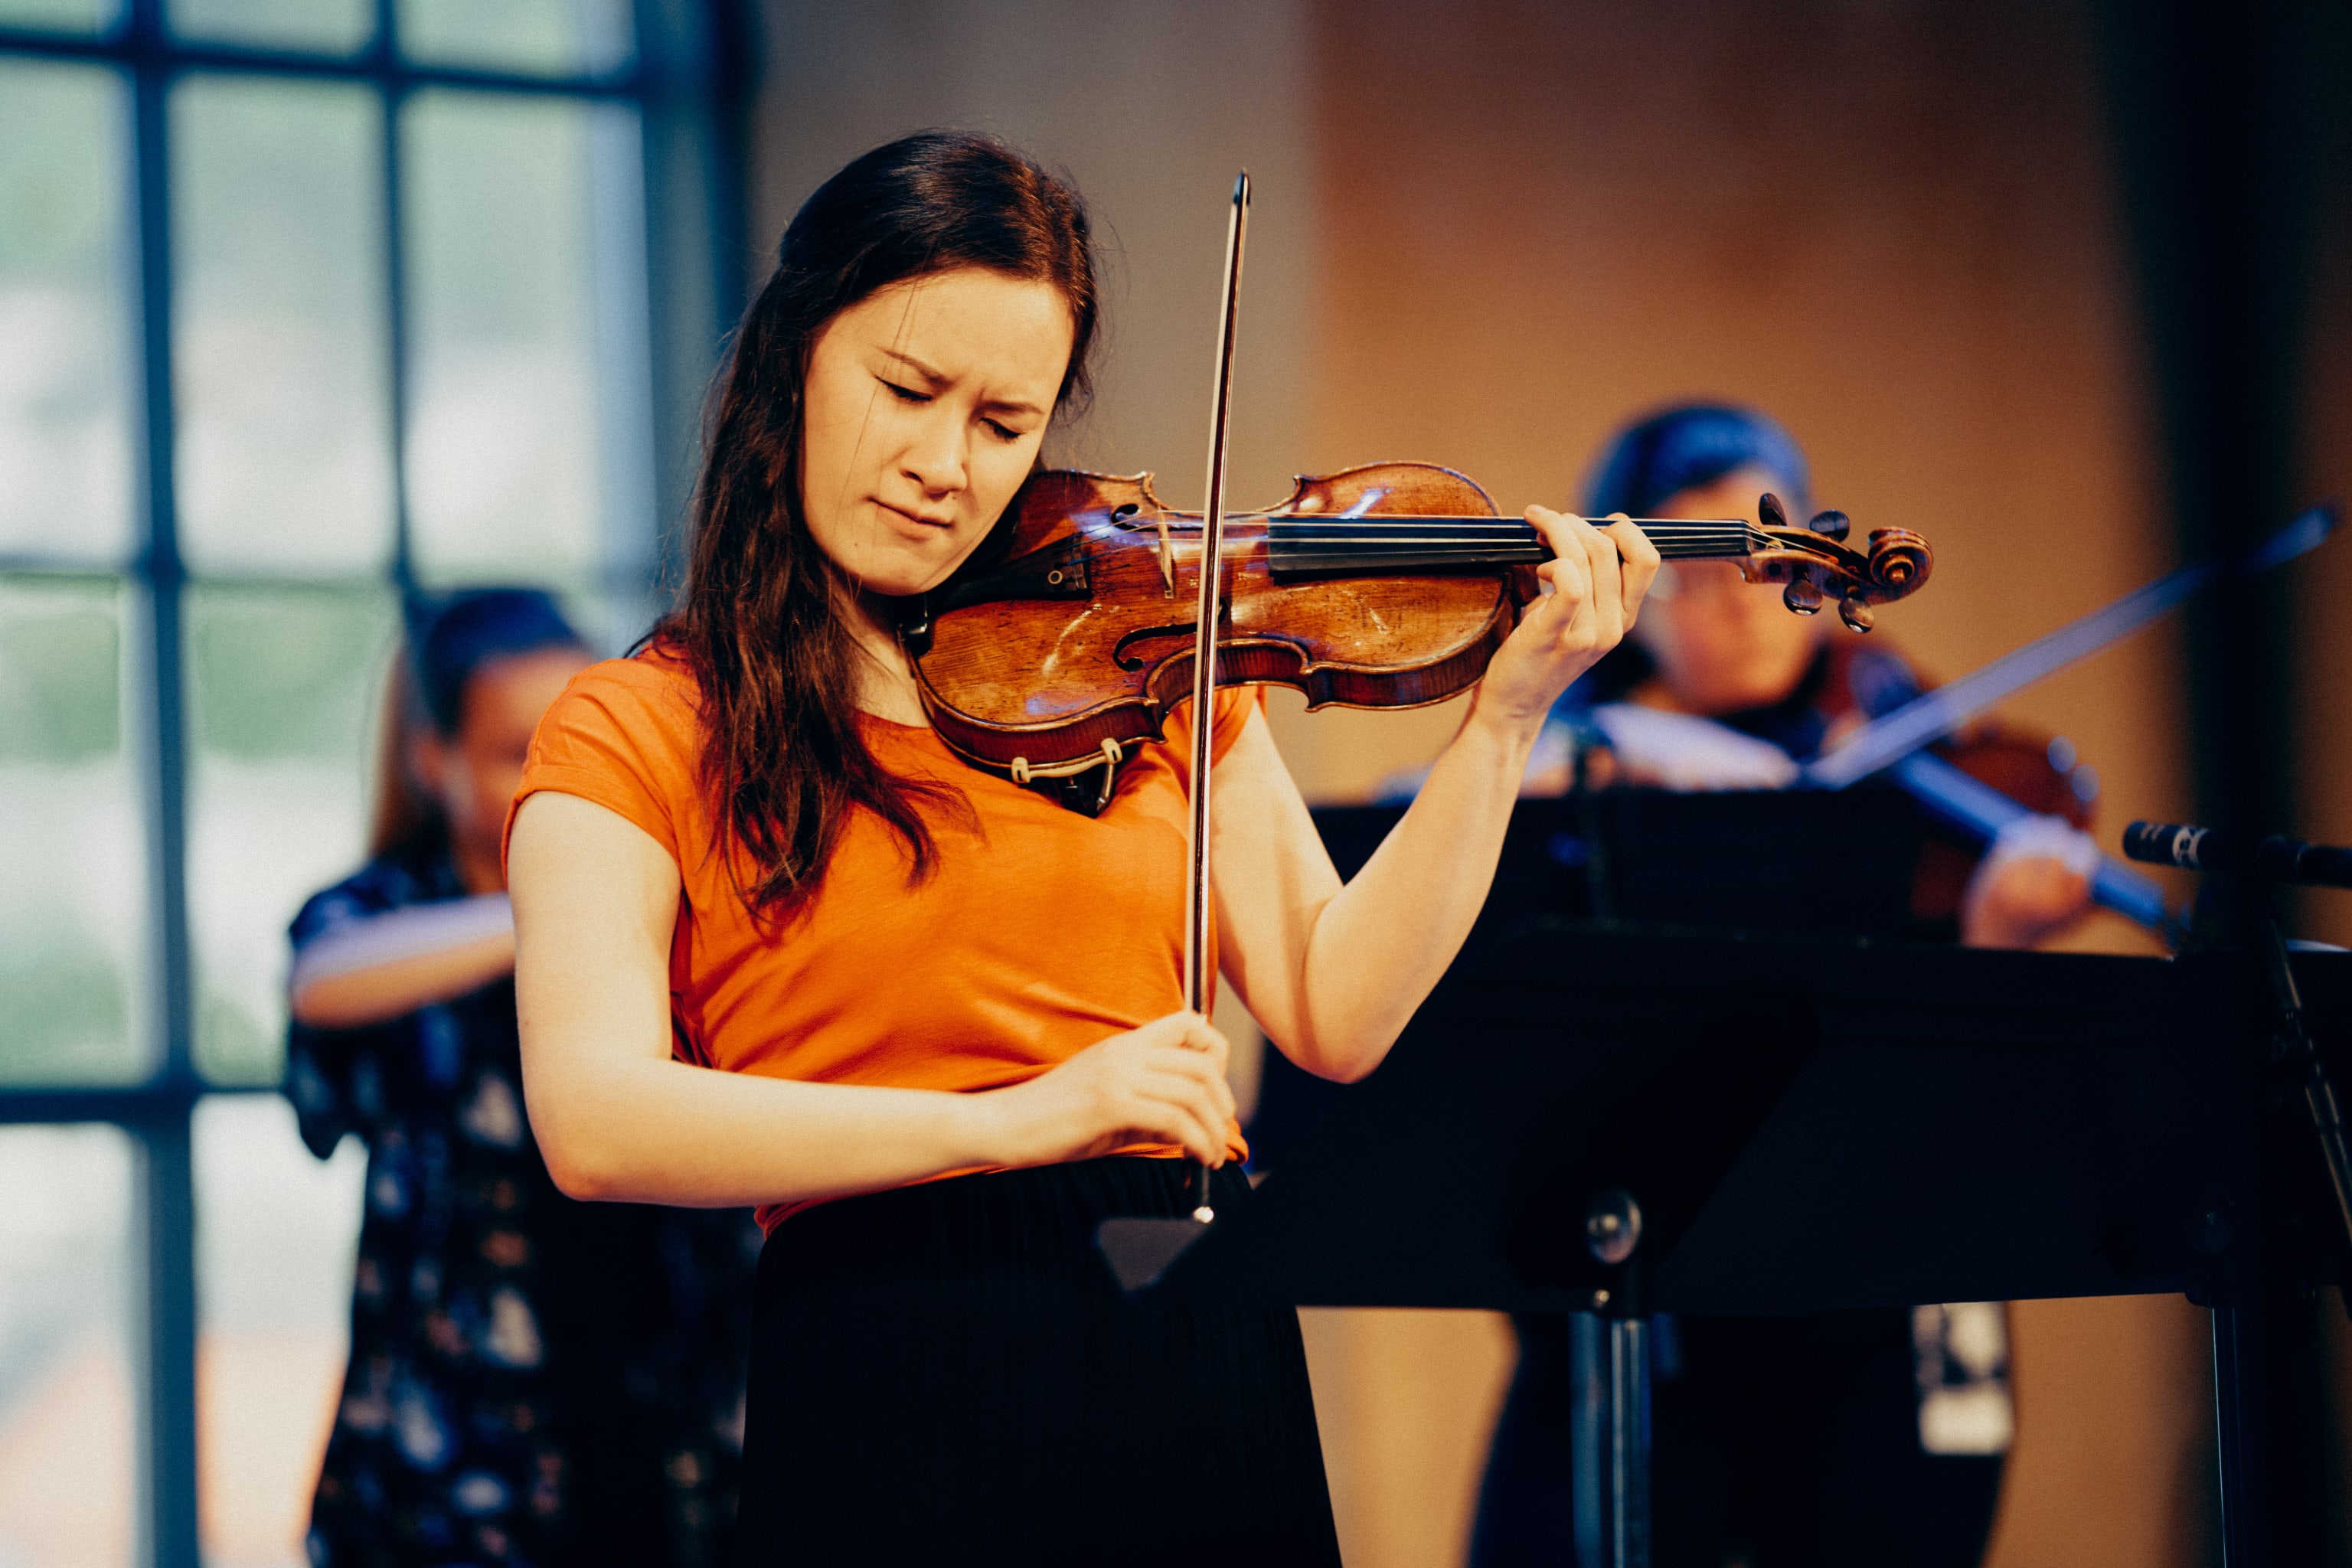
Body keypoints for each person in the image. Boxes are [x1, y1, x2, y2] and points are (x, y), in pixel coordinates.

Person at [501, 129, 1659, 1564]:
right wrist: (1013, 1118)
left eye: (1004, 422)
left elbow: (1336, 1009)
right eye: (906, 390)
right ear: (797, 354)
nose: (944, 465)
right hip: (890, 1339)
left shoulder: (1145, 660)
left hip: (1190, 1311)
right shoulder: (642, 721)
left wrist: (1501, 724)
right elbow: (595, 1118)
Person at [1466, 404, 2101, 1568]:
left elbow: (1941, 1089)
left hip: (1881, 1298)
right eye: (1695, 575)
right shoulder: (1563, 773)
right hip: (1642, 1308)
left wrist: (1992, 939)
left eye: (1766, 560)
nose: (1742, 600)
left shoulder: (1897, 746)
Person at [284, 589, 760, 1568]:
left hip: (664, 1392)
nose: (560, 775)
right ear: (435, 760)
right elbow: (320, 979)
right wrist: (558, 908)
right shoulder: (383, 907)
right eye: (517, 753)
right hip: (460, 1434)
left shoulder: (671, 892)